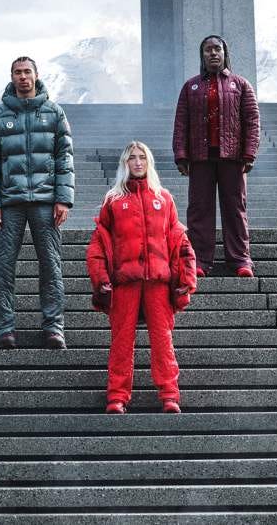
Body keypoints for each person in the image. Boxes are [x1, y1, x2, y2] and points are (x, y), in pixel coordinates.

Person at [86, 141, 197, 414]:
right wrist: (101, 278)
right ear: (124, 164)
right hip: (125, 282)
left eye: (142, 157)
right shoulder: (113, 200)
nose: (137, 162)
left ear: (149, 162)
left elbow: (180, 241)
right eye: (132, 158)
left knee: (163, 341)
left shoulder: (164, 198)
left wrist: (186, 277)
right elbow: (99, 244)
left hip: (158, 282)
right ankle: (117, 397)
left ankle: (170, 396)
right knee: (121, 342)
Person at [0, 56, 74, 350]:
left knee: (51, 266)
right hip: (9, 203)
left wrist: (64, 199)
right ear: (12, 77)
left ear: (36, 75)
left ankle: (54, 327)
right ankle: (4, 328)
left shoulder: (54, 112)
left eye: (27, 72)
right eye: (17, 72)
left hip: (46, 202)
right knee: (3, 267)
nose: (23, 77)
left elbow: (64, 158)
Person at [172, 34, 261, 278]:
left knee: (235, 209)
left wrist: (249, 153)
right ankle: (199, 261)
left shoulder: (240, 85)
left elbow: (252, 122)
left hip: (233, 158)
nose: (213, 53)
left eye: (217, 49)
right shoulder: (190, 87)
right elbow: (181, 123)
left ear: (224, 53)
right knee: (199, 210)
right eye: (208, 50)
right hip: (200, 158)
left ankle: (240, 260)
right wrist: (181, 155)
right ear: (202, 56)